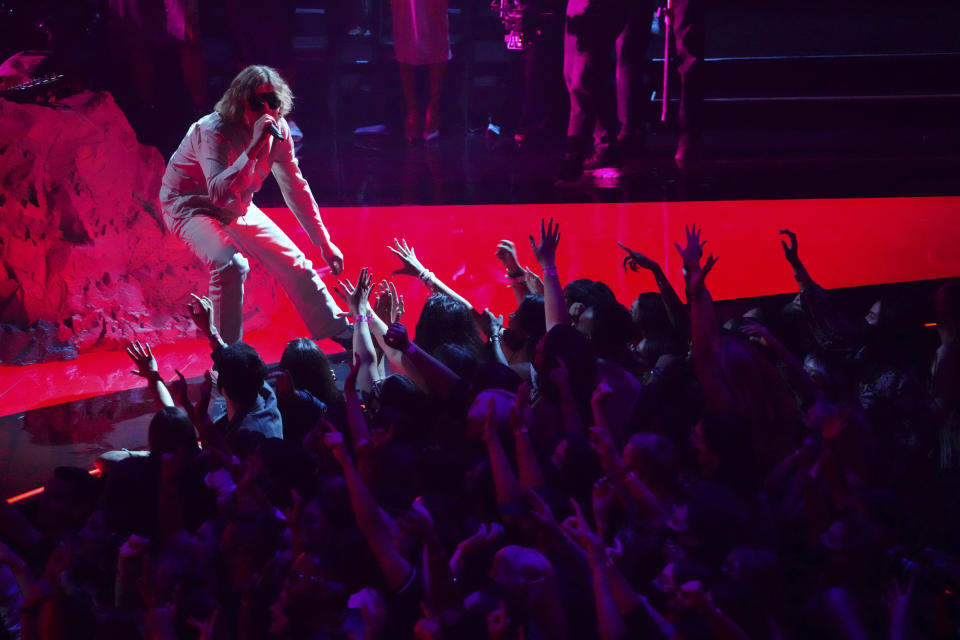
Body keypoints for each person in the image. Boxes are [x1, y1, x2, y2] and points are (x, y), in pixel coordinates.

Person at [159, 65, 350, 345]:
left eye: (273, 102)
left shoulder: (279, 129)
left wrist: (323, 242)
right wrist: (253, 147)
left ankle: (335, 328)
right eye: (257, 102)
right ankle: (229, 358)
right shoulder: (213, 130)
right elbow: (218, 194)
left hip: (236, 205)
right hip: (189, 205)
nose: (267, 110)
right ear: (239, 103)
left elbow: (295, 187)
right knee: (230, 266)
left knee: (291, 259)